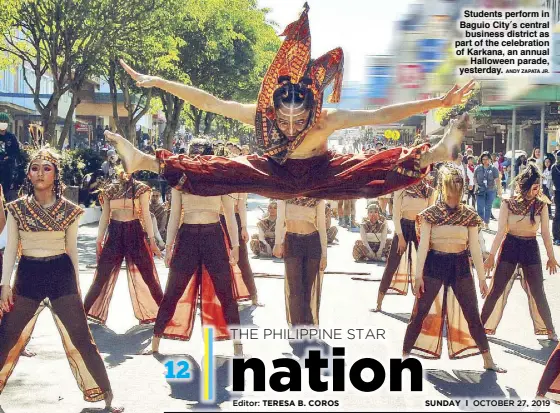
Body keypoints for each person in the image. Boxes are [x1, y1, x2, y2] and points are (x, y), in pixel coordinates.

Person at [105, 4, 474, 201]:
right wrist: (158, 82)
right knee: (220, 168)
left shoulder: (327, 120)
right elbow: (210, 102)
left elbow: (381, 114)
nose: (293, 126)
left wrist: (438, 100)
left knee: (368, 168)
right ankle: (144, 161)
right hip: (274, 171)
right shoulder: (260, 114)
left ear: (312, 110)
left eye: (301, 120)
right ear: (273, 111)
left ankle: (434, 154)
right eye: (286, 121)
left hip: (323, 172)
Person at [0, 148, 123, 412]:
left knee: (82, 338)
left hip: (61, 274)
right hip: (28, 274)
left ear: (56, 174)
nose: (40, 173)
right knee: (7, 335)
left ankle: (108, 395)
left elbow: (72, 250)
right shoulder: (16, 208)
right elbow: (11, 249)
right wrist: (5, 285)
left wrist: (77, 285)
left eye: (47, 168)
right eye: (35, 168)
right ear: (28, 174)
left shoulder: (69, 210)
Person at [143, 140, 243, 356]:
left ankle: (238, 345)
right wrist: (169, 246)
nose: (197, 160)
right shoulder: (180, 181)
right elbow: (174, 216)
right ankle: (155, 341)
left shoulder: (220, 180)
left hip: (213, 236)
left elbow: (230, 215)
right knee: (173, 290)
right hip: (187, 237)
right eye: (193, 156)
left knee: (225, 290)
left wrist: (235, 246)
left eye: (201, 156)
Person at [402, 166, 505, 372]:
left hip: (460, 266)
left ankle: (487, 359)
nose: (454, 199)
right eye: (451, 194)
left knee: (472, 314)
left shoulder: (469, 215)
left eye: (458, 194)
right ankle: (405, 356)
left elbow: (475, 248)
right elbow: (423, 247)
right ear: (443, 189)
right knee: (420, 312)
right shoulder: (430, 215)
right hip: (434, 264)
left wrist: (482, 279)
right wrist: (418, 275)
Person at [482, 164, 558, 341]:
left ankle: (550, 330)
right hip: (510, 246)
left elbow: (546, 233)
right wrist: (491, 256)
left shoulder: (542, 205)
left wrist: (551, 257)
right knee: (497, 289)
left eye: (539, 187)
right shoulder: (508, 203)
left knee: (538, 290)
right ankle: (480, 325)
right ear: (525, 185)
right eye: (534, 187)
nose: (537, 190)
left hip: (530, 247)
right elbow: (501, 231)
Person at [83, 169, 164, 325]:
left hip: (135, 232)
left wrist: (152, 241)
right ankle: (82, 313)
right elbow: (105, 216)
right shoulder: (109, 189)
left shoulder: (141, 189)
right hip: (114, 233)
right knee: (101, 276)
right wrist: (98, 240)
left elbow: (146, 215)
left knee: (148, 276)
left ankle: (165, 314)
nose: (124, 172)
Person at [374, 176, 435, 312]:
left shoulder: (429, 191)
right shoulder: (402, 189)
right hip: (403, 226)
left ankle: (426, 307)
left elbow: (430, 216)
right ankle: (379, 302)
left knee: (426, 266)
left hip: (421, 228)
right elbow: (395, 215)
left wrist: (428, 238)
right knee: (392, 264)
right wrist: (400, 237)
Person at [274, 197, 327, 326]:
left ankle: (308, 324)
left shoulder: (317, 199)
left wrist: (324, 254)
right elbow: (280, 220)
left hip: (312, 243)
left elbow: (321, 226)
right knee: (294, 288)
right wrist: (277, 243)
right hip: (292, 242)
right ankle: (296, 325)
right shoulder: (285, 197)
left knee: (307, 287)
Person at [474, 151, 501, 229]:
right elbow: (475, 177)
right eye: (483, 159)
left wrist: (499, 190)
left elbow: (497, 180)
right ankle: (481, 221)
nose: (485, 161)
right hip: (480, 190)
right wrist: (475, 184)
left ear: (490, 159)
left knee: (488, 207)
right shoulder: (478, 168)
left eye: (487, 159)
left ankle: (486, 223)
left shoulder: (494, 169)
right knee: (480, 207)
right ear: (481, 160)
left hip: (491, 190)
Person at [0, 113, 20, 199]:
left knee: (6, 190)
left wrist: (9, 158)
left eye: (5, 122)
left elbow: (16, 152)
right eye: (1, 121)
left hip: (7, 168)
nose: (3, 123)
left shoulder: (11, 137)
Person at [552, 150, 560, 245]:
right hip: (558, 193)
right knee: (558, 215)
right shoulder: (555, 167)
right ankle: (556, 237)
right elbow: (556, 183)